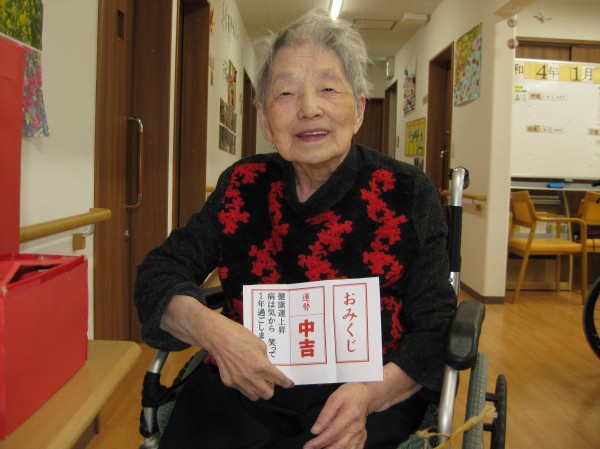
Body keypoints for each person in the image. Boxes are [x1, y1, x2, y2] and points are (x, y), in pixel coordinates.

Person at [134, 8, 456, 449]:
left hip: (368, 394)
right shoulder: (243, 185)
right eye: (286, 93)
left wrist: (370, 394)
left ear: (359, 110)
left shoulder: (406, 191)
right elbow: (158, 272)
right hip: (248, 386)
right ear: (265, 120)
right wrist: (211, 330)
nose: (309, 108)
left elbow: (437, 326)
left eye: (328, 88)